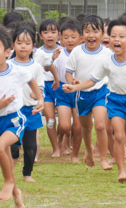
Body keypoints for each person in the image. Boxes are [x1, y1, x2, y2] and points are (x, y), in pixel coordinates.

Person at [66, 19, 126, 183]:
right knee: (119, 136)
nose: (116, 39)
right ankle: (121, 170)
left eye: (121, 36)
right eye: (113, 36)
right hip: (114, 101)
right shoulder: (106, 61)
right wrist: (74, 88)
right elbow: (92, 80)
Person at [0, 26, 41, 208]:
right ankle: (17, 196)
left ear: (7, 51)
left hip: (14, 119)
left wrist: (40, 98)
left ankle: (8, 182)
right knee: (1, 153)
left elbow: (31, 79)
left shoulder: (16, 70)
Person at [65, 15, 112, 170]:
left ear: (102, 35)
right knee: (85, 128)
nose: (91, 35)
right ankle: (89, 151)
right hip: (82, 94)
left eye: (95, 31)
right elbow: (68, 73)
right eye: (87, 31)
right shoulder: (77, 52)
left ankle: (104, 158)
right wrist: (72, 81)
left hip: (101, 91)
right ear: (82, 35)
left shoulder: (107, 53)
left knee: (100, 125)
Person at [9, 23, 45, 182]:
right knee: (14, 144)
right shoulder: (8, 65)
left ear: (33, 46)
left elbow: (41, 86)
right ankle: (9, 172)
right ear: (13, 44)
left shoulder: (36, 67)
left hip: (31, 111)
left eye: (27, 43)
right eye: (19, 43)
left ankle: (27, 173)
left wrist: (37, 95)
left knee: (30, 147)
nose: (23, 47)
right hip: (13, 111)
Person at [53, 18, 81, 163]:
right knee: (64, 125)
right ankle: (61, 138)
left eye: (73, 37)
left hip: (79, 92)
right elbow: (48, 68)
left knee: (77, 125)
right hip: (63, 91)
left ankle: (74, 150)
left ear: (81, 38)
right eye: (66, 37)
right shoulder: (58, 53)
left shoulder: (83, 53)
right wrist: (51, 60)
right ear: (61, 38)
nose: (69, 40)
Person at [35, 19, 61, 155]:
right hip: (45, 87)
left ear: (59, 34)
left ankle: (64, 142)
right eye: (46, 32)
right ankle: (56, 148)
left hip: (62, 87)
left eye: (53, 32)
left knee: (64, 122)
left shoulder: (64, 50)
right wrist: (52, 58)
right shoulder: (38, 53)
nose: (50, 35)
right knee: (50, 120)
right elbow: (42, 68)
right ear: (40, 36)